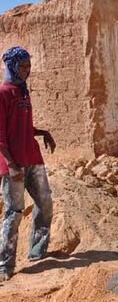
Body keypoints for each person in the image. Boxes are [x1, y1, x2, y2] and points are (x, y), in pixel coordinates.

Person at [0, 46, 56, 282]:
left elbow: (22, 128)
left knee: (45, 204)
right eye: (23, 66)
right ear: (12, 66)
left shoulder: (23, 93)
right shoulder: (3, 93)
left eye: (29, 66)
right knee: (14, 213)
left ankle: (37, 253)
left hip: (33, 158)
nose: (27, 70)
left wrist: (43, 132)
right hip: (13, 164)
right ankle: (4, 265)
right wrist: (12, 165)